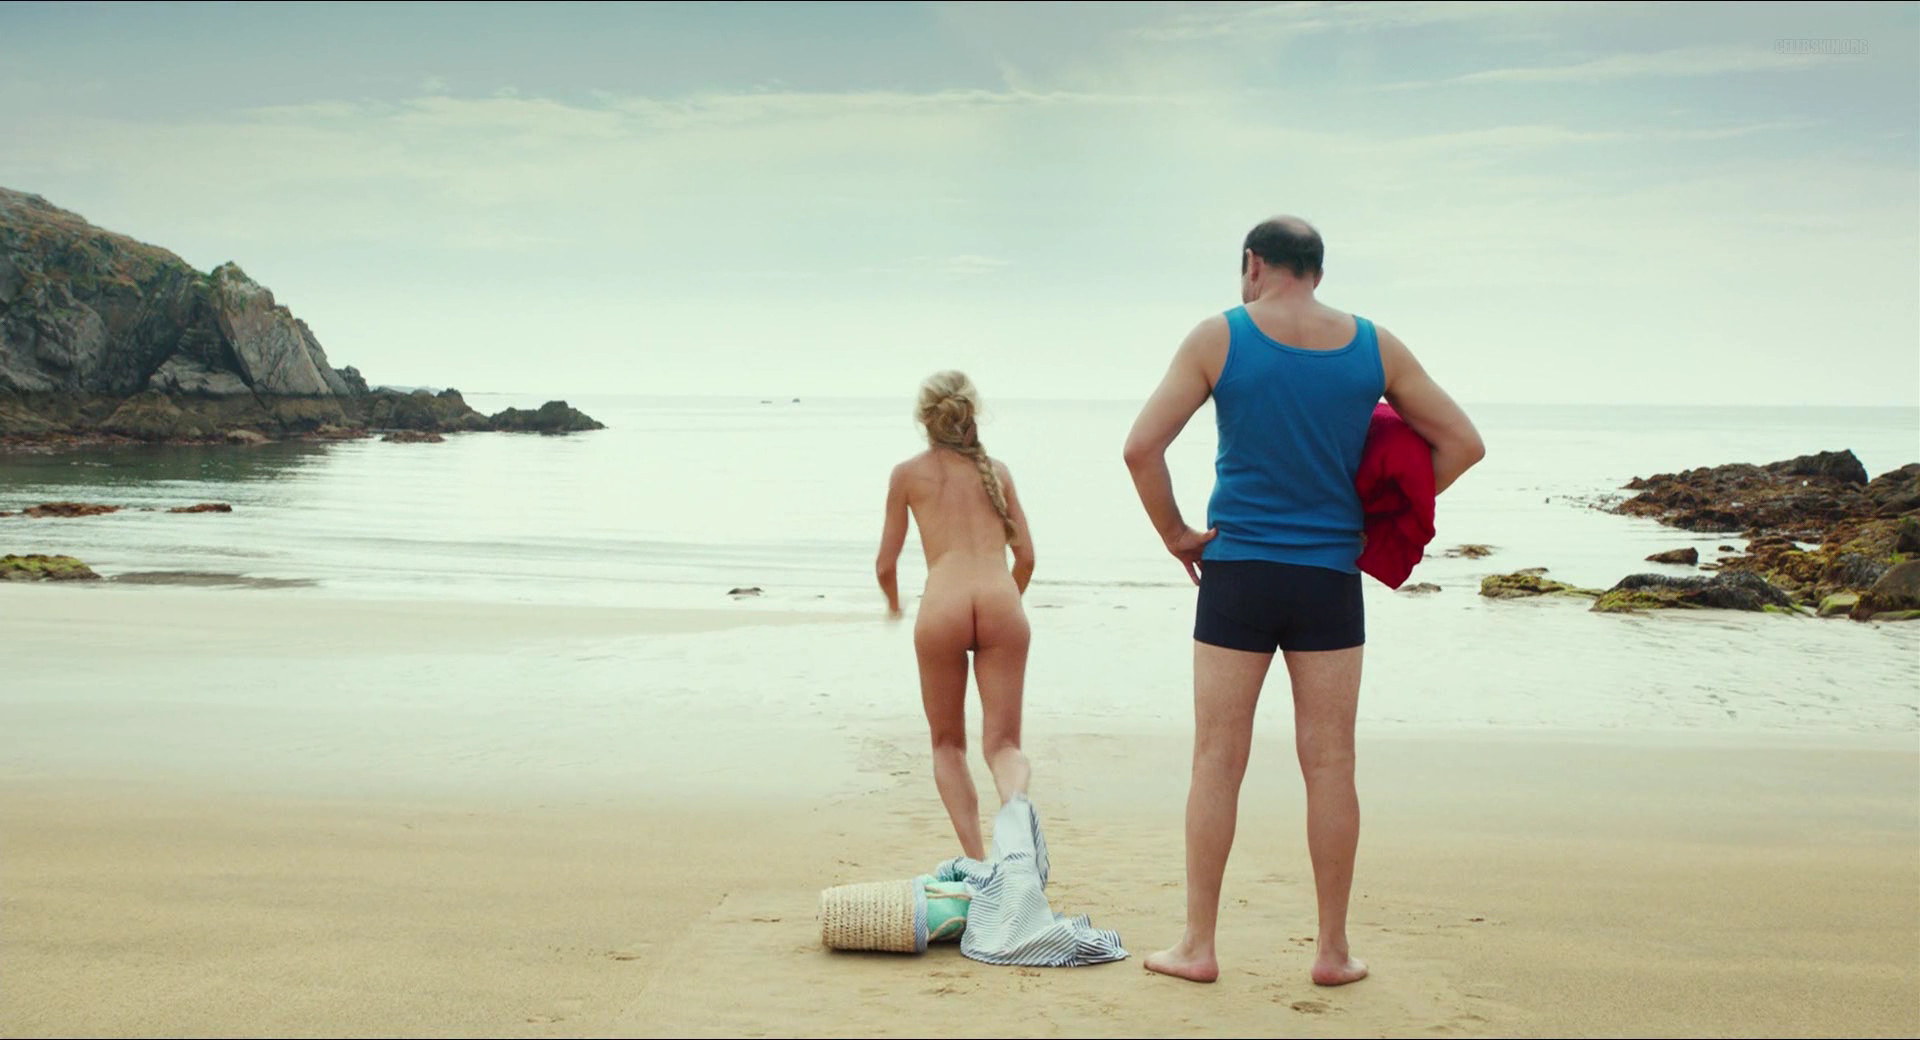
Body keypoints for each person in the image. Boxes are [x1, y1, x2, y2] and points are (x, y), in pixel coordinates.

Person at [1122, 217, 1486, 986]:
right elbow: (1462, 444)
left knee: (1217, 758)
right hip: (1328, 578)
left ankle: (1197, 947)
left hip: (1238, 572)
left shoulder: (1218, 337)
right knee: (1330, 763)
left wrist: (1178, 535)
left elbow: (1140, 447)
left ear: (1253, 264)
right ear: (1317, 270)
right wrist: (1380, 516)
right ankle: (1332, 952)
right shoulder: (1375, 346)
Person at [876, 370, 1037, 861]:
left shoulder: (907, 475)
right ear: (972, 413)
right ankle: (1015, 811)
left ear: (925, 419)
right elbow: (1026, 558)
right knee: (1003, 745)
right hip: (999, 600)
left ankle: (980, 862)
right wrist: (1006, 604)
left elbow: (885, 565)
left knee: (948, 746)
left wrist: (894, 604)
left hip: (942, 607)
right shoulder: (998, 472)